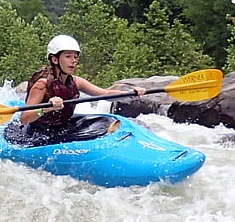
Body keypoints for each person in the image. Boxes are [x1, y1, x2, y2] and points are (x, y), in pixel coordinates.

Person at [8, 34, 146, 146]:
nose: (73, 61)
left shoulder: (76, 81)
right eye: (68, 56)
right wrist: (46, 109)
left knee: (105, 121)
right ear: (55, 59)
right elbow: (25, 118)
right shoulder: (42, 85)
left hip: (64, 126)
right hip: (41, 132)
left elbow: (105, 94)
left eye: (75, 57)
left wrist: (131, 94)